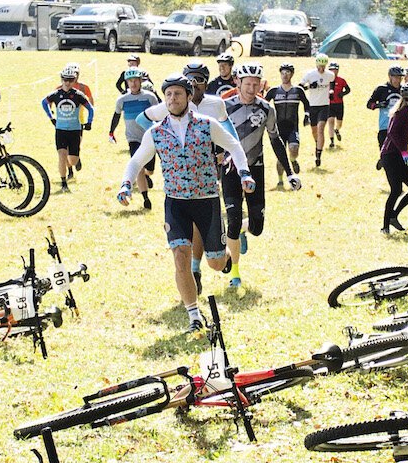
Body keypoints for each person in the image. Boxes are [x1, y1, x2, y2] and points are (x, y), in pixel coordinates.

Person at [119, 74, 254, 332]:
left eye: (178, 94)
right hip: (176, 203)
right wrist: (126, 184)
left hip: (207, 201)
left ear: (189, 97)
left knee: (215, 263)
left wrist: (244, 172)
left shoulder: (206, 124)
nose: (172, 98)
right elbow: (136, 161)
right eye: (168, 94)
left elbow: (234, 146)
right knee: (180, 256)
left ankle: (227, 246)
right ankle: (194, 315)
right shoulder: (156, 132)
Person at [219, 63, 290, 288]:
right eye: (247, 83)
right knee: (233, 218)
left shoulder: (267, 108)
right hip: (230, 169)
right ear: (237, 82)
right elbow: (213, 137)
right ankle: (235, 274)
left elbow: (275, 139)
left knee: (257, 226)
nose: (251, 88)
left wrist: (289, 172)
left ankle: (242, 230)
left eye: (256, 84)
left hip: (255, 168)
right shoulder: (224, 107)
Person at [110, 69, 160, 208]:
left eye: (136, 80)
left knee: (149, 170)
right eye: (130, 81)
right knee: (139, 167)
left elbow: (157, 115)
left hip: (149, 137)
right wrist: (111, 132)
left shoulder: (150, 97)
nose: (133, 83)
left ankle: (146, 176)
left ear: (141, 81)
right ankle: (145, 198)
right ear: (126, 83)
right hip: (133, 139)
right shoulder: (122, 100)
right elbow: (116, 116)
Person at [379, 83, 408, 233]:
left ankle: (394, 216)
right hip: (392, 156)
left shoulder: (406, 112)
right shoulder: (402, 112)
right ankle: (385, 226)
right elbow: (392, 133)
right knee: (396, 190)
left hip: (397, 155)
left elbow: (402, 135)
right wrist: (405, 151)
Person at [42, 64, 94, 191]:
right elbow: (44, 103)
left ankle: (74, 162)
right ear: (61, 79)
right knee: (61, 155)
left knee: (73, 160)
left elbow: (90, 109)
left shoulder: (78, 95)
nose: (67, 82)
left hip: (75, 130)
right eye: (65, 79)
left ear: (74, 80)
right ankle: (63, 182)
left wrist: (89, 122)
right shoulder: (56, 93)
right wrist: (51, 117)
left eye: (70, 80)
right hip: (60, 130)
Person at [265, 64, 306, 183]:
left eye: (287, 73)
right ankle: (280, 180)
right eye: (283, 73)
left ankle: (293, 160)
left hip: (293, 127)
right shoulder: (274, 91)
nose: (285, 75)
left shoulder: (298, 90)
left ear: (292, 74)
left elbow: (307, 104)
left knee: (294, 149)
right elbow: (263, 104)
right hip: (278, 129)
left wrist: (307, 116)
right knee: (280, 157)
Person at [300, 54, 335, 166]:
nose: (321, 69)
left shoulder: (330, 75)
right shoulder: (310, 74)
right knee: (314, 131)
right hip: (312, 105)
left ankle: (318, 155)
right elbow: (299, 87)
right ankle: (317, 143)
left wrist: (331, 92)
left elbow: (332, 83)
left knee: (320, 129)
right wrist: (310, 87)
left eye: (323, 66)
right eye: (320, 66)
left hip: (324, 106)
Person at [368, 65, 407, 152]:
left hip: (399, 125)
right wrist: (379, 105)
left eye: (400, 78)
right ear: (390, 76)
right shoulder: (381, 89)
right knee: (385, 151)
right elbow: (369, 104)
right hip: (385, 125)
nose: (398, 80)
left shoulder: (404, 90)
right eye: (396, 77)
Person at [326, 62, 350, 146]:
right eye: (331, 70)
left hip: (339, 104)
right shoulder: (326, 80)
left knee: (339, 122)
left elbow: (348, 90)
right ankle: (332, 141)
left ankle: (337, 130)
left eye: (335, 70)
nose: (333, 72)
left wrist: (342, 94)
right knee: (331, 122)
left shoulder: (341, 80)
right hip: (329, 104)